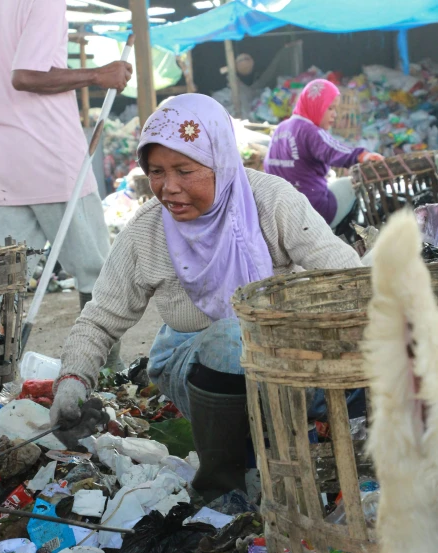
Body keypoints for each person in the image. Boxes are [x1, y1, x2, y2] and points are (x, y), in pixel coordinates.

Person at [50, 93, 365, 501]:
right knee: (232, 339)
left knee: (366, 348)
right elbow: (100, 320)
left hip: (283, 353)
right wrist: (71, 384)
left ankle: (342, 459)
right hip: (195, 362)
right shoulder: (146, 232)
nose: (169, 187)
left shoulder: (272, 201)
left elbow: (349, 278)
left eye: (184, 170)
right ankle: (223, 486)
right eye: (157, 172)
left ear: (221, 160)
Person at [0, 0, 132, 348]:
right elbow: (25, 76)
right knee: (96, 276)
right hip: (55, 163)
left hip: (2, 163)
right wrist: (98, 75)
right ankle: (105, 376)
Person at [265, 79, 383, 229]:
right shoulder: (310, 131)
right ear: (316, 105)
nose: (334, 114)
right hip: (313, 212)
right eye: (330, 108)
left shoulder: (281, 128)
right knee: (351, 184)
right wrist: (362, 156)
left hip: (282, 214)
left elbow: (267, 166)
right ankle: (342, 237)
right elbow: (335, 151)